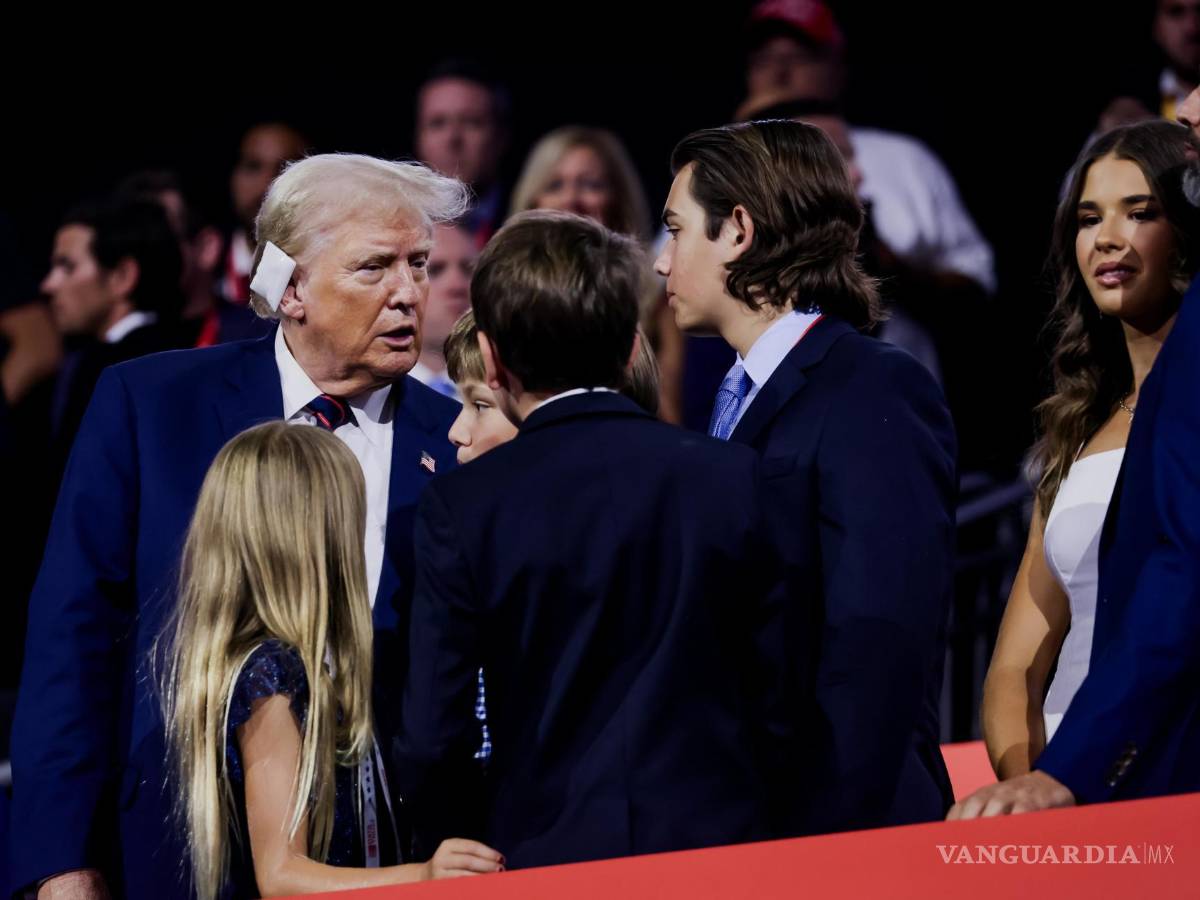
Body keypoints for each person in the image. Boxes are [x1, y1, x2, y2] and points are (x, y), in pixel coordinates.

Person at [10, 153, 466, 900]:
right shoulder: (149, 406)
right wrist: (60, 861)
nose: (409, 293)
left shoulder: (460, 444)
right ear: (289, 289)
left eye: (420, 264)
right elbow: (72, 636)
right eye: (375, 267)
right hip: (170, 855)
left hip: (397, 861)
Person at [395, 211, 789, 868]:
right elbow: (780, 688)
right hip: (723, 852)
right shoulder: (734, 475)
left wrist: (459, 841)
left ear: (491, 361)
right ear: (633, 348)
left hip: (541, 856)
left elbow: (435, 734)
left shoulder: (465, 505)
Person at [655, 120, 957, 833]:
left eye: (675, 231)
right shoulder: (730, 396)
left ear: (738, 230)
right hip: (756, 817)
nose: (662, 264)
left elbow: (880, 636)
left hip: (845, 823)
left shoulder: (872, 387)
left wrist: (827, 842)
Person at [951, 113, 1200, 818]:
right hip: (1061, 780)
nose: (1108, 239)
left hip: (1163, 772)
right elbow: (1015, 668)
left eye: (1140, 212)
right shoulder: (1076, 425)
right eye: (1090, 218)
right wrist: (1032, 783)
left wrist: (1078, 777)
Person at [159, 423, 501, 898]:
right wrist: (422, 876)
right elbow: (280, 875)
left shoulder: (310, 663)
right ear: (309, 538)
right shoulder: (271, 674)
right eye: (350, 521)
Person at [415, 60, 511, 247]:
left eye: (471, 122)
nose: (452, 138)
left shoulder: (528, 214)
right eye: (437, 123)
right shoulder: (393, 225)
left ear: (501, 136)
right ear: (418, 137)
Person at [409, 223, 476, 398]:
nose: (458, 285)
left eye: (469, 269)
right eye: (434, 270)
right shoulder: (361, 398)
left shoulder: (514, 396)